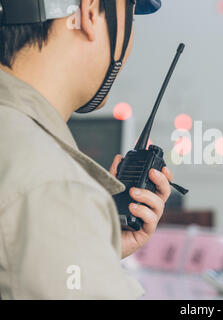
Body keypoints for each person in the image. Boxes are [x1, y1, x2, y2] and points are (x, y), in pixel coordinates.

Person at [0, 0, 172, 299]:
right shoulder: (54, 188)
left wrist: (90, 250)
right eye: (131, 15)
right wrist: (77, 225)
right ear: (90, 13)